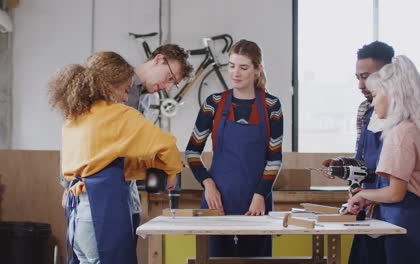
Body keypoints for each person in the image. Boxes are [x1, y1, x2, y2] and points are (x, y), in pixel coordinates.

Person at [48, 51, 182, 264]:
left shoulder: (75, 115)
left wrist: (148, 167)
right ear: (110, 85)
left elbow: (105, 162)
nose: (126, 98)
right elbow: (167, 145)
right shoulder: (118, 114)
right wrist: (172, 172)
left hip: (78, 214)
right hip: (101, 210)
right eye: (125, 90)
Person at [185, 39, 283, 257]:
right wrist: (208, 184)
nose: (235, 73)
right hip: (217, 202)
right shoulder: (214, 103)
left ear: (257, 69)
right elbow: (192, 152)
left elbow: (275, 159)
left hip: (256, 203)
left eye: (243, 67)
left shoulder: (271, 106)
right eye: (231, 65)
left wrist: (260, 195)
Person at [344, 55, 420, 263]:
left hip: (403, 222)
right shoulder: (412, 128)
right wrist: (367, 197)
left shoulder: (399, 134)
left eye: (376, 95)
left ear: (392, 95)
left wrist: (364, 194)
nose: (373, 102)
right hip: (413, 219)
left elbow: (395, 193)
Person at [322, 41, 420, 183]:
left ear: (388, 73)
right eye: (358, 78)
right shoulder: (365, 109)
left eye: (366, 77)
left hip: (403, 202)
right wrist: (341, 164)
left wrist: (393, 189)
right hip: (368, 200)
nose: (360, 86)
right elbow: (365, 162)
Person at [125, 44, 193, 248]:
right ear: (158, 59)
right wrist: (68, 183)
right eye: (170, 77)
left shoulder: (144, 99)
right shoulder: (118, 83)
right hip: (98, 189)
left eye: (175, 83)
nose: (169, 87)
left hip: (127, 190)